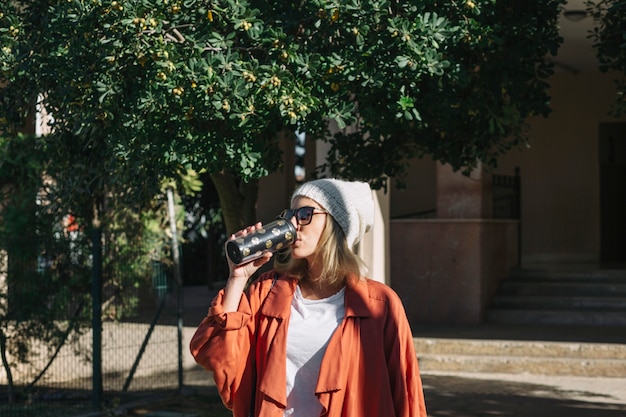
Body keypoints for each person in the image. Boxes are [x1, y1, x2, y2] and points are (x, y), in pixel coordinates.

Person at [190, 178, 427, 417]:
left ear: (336, 224)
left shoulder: (378, 305)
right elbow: (223, 358)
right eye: (290, 214)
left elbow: (406, 394)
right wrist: (237, 278)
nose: (293, 224)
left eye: (304, 214)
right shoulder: (268, 292)